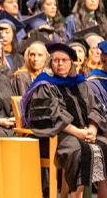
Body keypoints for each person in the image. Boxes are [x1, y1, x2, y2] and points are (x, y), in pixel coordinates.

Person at [22, 42, 107, 197]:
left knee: (105, 145)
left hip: (84, 133)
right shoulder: (45, 84)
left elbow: (95, 108)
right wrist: (78, 133)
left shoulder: (80, 83)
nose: (60, 63)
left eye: (64, 60)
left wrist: (92, 128)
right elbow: (52, 115)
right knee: (79, 150)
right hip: (56, 136)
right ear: (51, 62)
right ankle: (76, 196)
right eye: (56, 60)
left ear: (71, 63)